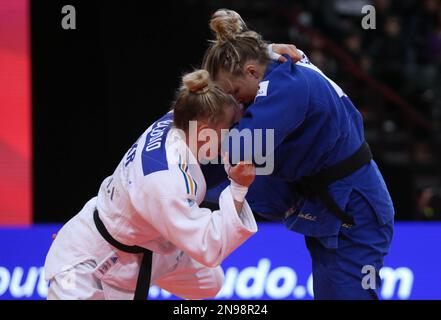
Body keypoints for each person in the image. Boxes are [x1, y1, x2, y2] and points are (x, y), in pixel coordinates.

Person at [202, 9, 395, 300]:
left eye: (235, 92)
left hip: (355, 210)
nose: (235, 101)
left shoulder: (288, 86)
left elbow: (239, 150)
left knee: (228, 157)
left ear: (253, 73)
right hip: (328, 203)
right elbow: (251, 57)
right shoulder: (281, 62)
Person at [44, 69, 258, 300]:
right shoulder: (167, 181)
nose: (232, 136)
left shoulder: (181, 115)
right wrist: (238, 186)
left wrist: (269, 52)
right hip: (91, 260)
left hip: (147, 242)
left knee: (210, 282)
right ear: (205, 133)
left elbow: (215, 82)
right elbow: (210, 246)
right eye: (228, 130)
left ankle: (149, 264)